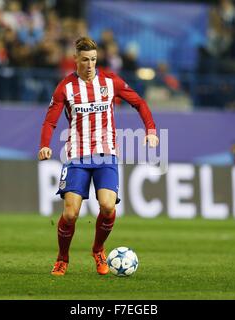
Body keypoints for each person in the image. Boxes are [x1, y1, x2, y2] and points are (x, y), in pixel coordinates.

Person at [38, 36, 159, 276]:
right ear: (75, 59)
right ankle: (63, 258)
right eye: (85, 60)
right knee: (71, 213)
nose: (90, 64)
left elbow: (140, 103)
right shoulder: (65, 87)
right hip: (77, 157)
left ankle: (98, 249)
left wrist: (151, 130)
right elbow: (50, 121)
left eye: (93, 59)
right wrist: (44, 145)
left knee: (106, 206)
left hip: (106, 155)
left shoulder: (110, 81)